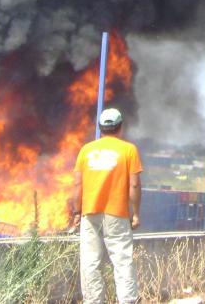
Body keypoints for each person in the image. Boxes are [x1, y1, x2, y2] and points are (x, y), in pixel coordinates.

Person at [71, 107, 143, 304]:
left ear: (100, 128)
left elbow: (78, 184)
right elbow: (134, 184)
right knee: (122, 261)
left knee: (90, 262)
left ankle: (93, 301)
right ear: (120, 127)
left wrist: (77, 212)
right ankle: (128, 301)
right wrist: (135, 213)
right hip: (117, 213)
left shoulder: (86, 150)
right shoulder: (128, 150)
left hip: (89, 213)